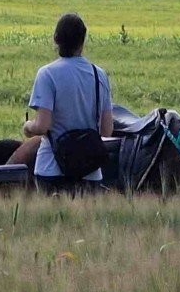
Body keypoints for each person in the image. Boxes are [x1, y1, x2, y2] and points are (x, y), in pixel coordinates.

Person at [25, 12, 115, 193]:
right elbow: (107, 130)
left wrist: (28, 126)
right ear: (83, 41)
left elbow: (43, 126)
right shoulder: (100, 75)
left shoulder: (47, 74)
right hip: (90, 172)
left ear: (56, 39)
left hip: (52, 169)